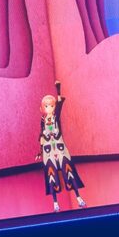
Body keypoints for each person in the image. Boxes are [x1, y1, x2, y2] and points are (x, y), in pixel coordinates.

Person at [40, 81, 86, 212]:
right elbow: (41, 135)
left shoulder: (55, 117)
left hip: (60, 148)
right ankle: (55, 203)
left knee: (69, 172)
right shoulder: (43, 120)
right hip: (48, 150)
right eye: (47, 106)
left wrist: (58, 90)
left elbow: (60, 106)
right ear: (43, 108)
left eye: (51, 105)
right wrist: (40, 149)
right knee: (51, 176)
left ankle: (79, 198)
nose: (49, 108)